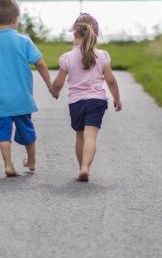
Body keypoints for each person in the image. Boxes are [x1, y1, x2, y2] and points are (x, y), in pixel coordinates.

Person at [0, 0, 54, 177]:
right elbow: (40, 64)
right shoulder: (24, 42)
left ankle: (8, 164)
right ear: (16, 19)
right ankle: (31, 161)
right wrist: (50, 85)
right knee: (27, 130)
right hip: (21, 98)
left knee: (3, 133)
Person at [50, 14, 122, 182]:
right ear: (96, 35)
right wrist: (117, 99)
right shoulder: (102, 56)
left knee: (80, 135)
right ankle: (85, 167)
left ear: (75, 35)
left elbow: (59, 83)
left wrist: (54, 91)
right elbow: (110, 80)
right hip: (96, 101)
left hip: (76, 103)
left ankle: (81, 166)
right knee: (91, 136)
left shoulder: (67, 58)